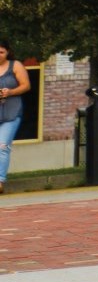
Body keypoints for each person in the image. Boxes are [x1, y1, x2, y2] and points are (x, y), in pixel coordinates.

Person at [0, 41, 30, 193]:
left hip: (11, 113)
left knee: (3, 146)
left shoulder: (15, 65)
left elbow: (26, 85)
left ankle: (0, 181)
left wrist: (10, 92)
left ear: (7, 52)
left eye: (1, 52)